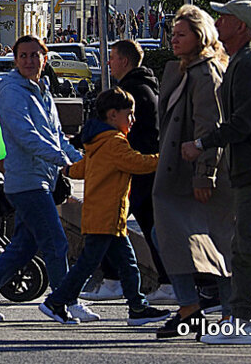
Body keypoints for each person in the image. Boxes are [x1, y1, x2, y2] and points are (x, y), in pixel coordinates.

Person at [181, 0, 251, 345]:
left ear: (241, 27)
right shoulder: (249, 59)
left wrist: (201, 143)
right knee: (242, 248)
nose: (218, 21)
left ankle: (242, 320)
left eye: (225, 17)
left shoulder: (248, 62)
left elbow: (244, 121)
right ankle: (241, 322)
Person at [0, 34, 89, 323]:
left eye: (35, 55)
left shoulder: (42, 90)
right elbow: (25, 134)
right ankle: (64, 301)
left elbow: (57, 136)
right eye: (24, 56)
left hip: (42, 177)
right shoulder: (11, 91)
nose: (30, 61)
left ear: (45, 59)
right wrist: (62, 160)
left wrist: (82, 160)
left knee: (24, 246)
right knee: (56, 242)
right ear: (15, 60)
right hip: (26, 181)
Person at [38, 88, 168, 325]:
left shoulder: (98, 142)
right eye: (129, 114)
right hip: (107, 216)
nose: (133, 120)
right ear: (113, 115)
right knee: (91, 264)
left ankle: (137, 307)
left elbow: (84, 167)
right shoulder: (115, 143)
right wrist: (164, 158)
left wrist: (67, 170)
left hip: (103, 216)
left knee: (126, 264)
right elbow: (136, 163)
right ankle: (57, 301)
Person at [151, 4, 234, 340]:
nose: (174, 39)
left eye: (181, 34)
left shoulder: (206, 74)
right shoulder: (186, 69)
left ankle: (230, 314)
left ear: (200, 36)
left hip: (194, 174)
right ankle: (190, 309)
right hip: (179, 173)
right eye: (173, 34)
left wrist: (205, 174)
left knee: (218, 244)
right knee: (170, 237)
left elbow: (210, 126)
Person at [86, 39, 169, 303]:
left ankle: (114, 281)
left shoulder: (130, 92)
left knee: (109, 222)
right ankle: (167, 282)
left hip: (134, 168)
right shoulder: (147, 87)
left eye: (111, 57)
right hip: (141, 168)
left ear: (124, 61)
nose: (108, 62)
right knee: (149, 226)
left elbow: (114, 131)